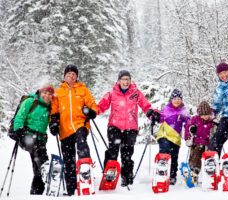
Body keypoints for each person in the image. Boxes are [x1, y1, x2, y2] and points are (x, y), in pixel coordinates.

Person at [97, 70, 159, 187]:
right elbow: (101, 105)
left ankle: (127, 178)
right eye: (123, 79)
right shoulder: (111, 93)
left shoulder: (136, 93)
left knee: (127, 153)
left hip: (130, 128)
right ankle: (109, 175)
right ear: (119, 80)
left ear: (130, 80)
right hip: (114, 126)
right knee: (113, 151)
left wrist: (152, 112)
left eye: (128, 79)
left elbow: (145, 105)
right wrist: (92, 111)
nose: (126, 82)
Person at [49, 65, 98, 196]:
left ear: (77, 77)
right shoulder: (58, 92)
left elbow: (92, 103)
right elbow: (53, 110)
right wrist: (53, 122)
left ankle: (85, 167)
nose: (71, 76)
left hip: (80, 124)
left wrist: (91, 111)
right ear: (64, 76)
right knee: (68, 158)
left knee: (82, 143)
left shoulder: (83, 89)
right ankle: (70, 188)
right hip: (65, 129)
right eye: (69, 74)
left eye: (74, 74)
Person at [13, 84, 54, 194]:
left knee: (37, 163)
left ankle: (37, 191)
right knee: (39, 153)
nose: (47, 95)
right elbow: (20, 116)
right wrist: (18, 130)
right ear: (40, 93)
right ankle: (45, 167)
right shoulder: (30, 102)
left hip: (40, 138)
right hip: (25, 135)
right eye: (45, 93)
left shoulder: (50, 107)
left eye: (50, 94)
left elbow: (52, 121)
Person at [156, 89, 190, 185]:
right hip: (164, 134)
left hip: (175, 137)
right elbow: (159, 118)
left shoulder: (183, 111)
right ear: (171, 99)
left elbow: (188, 122)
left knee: (174, 157)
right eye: (175, 98)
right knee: (165, 149)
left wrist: (191, 127)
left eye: (179, 98)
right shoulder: (166, 108)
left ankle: (172, 175)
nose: (177, 101)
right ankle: (161, 169)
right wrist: (154, 116)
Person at [184, 101, 214, 184]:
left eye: (207, 114)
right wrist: (189, 135)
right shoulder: (195, 119)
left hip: (206, 144)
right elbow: (187, 128)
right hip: (195, 142)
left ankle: (198, 171)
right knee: (193, 156)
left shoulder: (211, 122)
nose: (205, 117)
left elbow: (215, 131)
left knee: (198, 154)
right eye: (203, 115)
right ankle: (192, 171)